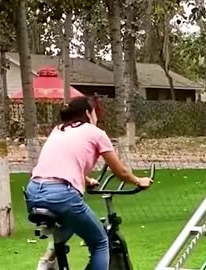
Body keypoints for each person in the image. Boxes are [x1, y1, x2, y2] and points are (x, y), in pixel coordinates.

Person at [24, 96, 153, 270]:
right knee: (100, 241)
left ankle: (47, 260)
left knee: (70, 221)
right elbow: (121, 172)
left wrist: (86, 179)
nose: (97, 117)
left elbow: (58, 163)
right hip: (62, 194)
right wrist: (139, 180)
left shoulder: (58, 130)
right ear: (88, 113)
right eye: (96, 112)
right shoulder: (96, 133)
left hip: (33, 192)